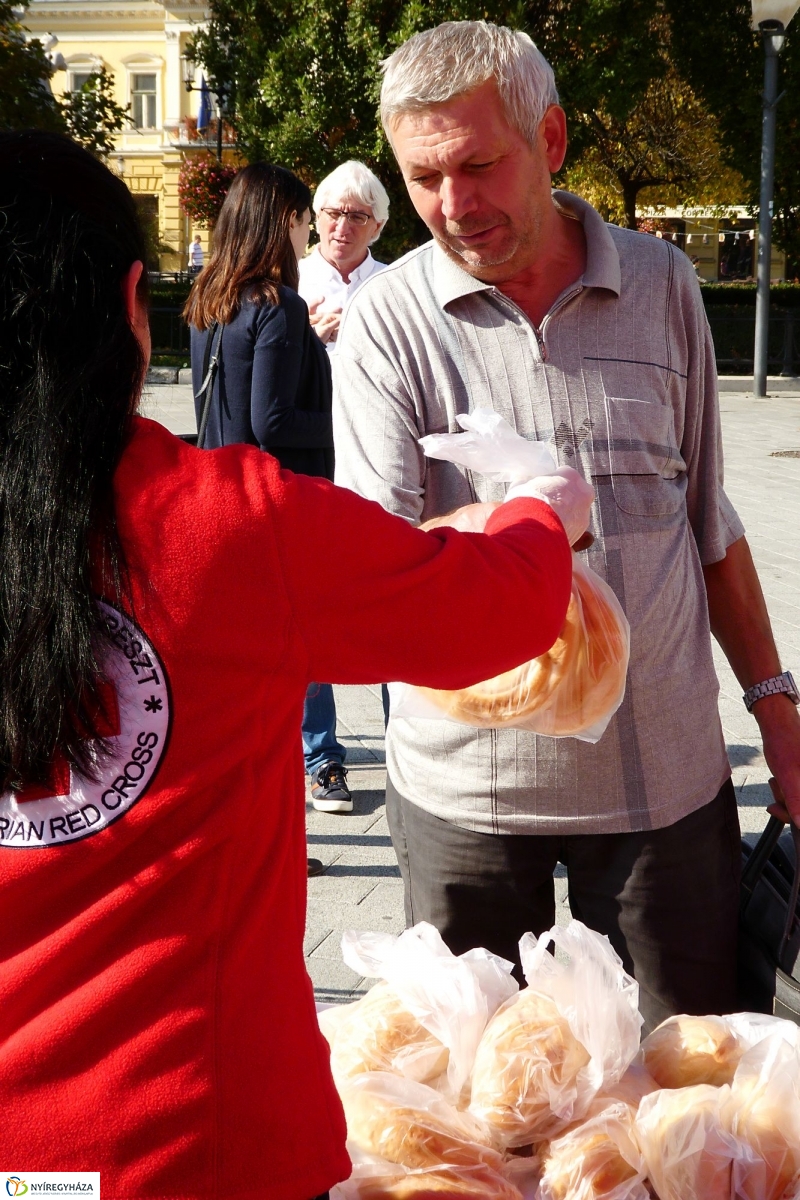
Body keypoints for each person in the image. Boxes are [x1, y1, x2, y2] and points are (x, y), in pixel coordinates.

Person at [0, 131, 590, 1197]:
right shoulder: (225, 527)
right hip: (198, 1141)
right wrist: (538, 518)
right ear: (133, 305)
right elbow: (492, 614)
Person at [334, 20, 800, 1032]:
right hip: (464, 794)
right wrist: (513, 521)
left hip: (662, 786)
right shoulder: (387, 322)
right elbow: (373, 563)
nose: (452, 207)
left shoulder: (663, 285)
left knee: (681, 1103)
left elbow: (706, 522)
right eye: (422, 178)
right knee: (480, 1121)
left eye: (477, 165)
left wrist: (774, 708)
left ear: (547, 141)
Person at [185, 164, 351, 825]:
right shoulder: (276, 307)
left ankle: (242, 819)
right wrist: (350, 422)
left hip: (215, 506)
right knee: (286, 677)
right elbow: (272, 423)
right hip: (273, 513)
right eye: (306, 218)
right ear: (283, 219)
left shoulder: (208, 300)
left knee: (243, 689)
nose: (309, 230)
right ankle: (272, 825)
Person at [298, 160, 389, 351]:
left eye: (357, 217)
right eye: (333, 213)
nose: (342, 228)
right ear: (317, 216)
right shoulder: (289, 281)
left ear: (377, 226)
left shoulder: (393, 286)